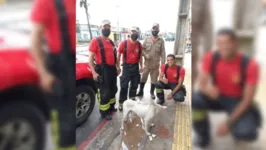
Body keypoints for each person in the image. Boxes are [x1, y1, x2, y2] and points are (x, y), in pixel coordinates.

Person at [192, 28, 262, 148]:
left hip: (237, 100)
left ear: (235, 43)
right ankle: (203, 136)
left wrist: (228, 124)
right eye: (220, 44)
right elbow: (202, 84)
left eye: (227, 43)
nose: (223, 47)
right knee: (195, 99)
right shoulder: (212, 57)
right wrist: (208, 89)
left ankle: (240, 124)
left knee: (247, 133)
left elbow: (247, 99)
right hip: (217, 97)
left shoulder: (250, 65)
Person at [30, 0, 75, 149]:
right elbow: (35, 39)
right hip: (59, 69)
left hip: (71, 64)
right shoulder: (46, 2)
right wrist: (43, 73)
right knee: (62, 122)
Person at [88, 20, 119, 120]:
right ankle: (104, 112)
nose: (107, 28)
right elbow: (90, 58)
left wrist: (118, 67)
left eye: (108, 27)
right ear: (100, 28)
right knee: (104, 92)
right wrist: (93, 72)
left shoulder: (111, 42)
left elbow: (115, 56)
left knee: (113, 89)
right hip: (102, 70)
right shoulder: (95, 41)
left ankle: (111, 107)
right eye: (105, 26)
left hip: (112, 70)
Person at [137, 23, 166, 99]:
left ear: (158, 30)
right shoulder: (147, 39)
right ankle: (140, 91)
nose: (155, 30)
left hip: (155, 65)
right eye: (154, 28)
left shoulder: (161, 41)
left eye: (156, 29)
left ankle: (152, 92)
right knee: (143, 79)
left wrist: (163, 65)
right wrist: (145, 55)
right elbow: (142, 50)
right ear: (151, 29)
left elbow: (163, 53)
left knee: (154, 80)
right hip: (147, 64)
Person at [117, 26, 143, 111]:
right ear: (130, 33)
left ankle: (131, 101)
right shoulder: (123, 43)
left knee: (134, 86)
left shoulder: (139, 45)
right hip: (126, 67)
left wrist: (141, 66)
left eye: (135, 32)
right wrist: (118, 67)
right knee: (124, 86)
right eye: (132, 32)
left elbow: (140, 57)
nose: (134, 33)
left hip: (135, 67)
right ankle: (122, 103)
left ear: (138, 33)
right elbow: (118, 55)